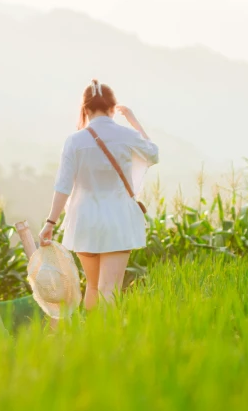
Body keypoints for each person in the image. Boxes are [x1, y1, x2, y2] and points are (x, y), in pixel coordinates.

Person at [39, 80, 159, 309]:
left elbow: (63, 185)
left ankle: (90, 341)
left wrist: (50, 222)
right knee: (109, 290)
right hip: (118, 220)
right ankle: (106, 341)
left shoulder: (74, 141)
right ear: (113, 107)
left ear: (85, 108)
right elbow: (153, 154)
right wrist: (133, 120)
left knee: (93, 288)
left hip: (84, 221)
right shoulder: (126, 135)